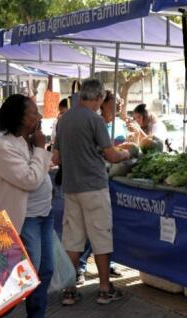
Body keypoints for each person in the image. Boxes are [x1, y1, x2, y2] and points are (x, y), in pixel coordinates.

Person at [53, 78, 130, 306]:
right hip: (94, 187)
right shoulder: (95, 120)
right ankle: (105, 290)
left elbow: (55, 157)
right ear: (97, 98)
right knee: (101, 238)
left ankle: (69, 290)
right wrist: (127, 155)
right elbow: (111, 156)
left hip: (71, 187)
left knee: (72, 240)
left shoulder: (64, 120)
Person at [0, 94, 54, 317]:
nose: (38, 116)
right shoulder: (4, 146)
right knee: (23, 277)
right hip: (25, 220)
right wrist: (40, 148)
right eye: (33, 112)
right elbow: (29, 180)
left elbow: (39, 173)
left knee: (45, 271)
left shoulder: (28, 142)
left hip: (44, 216)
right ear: (20, 118)